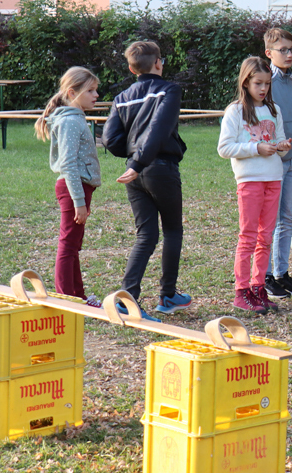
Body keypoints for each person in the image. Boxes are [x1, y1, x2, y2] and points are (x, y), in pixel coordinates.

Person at [103, 41, 191, 322]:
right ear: (158, 63)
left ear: (132, 69)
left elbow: (110, 139)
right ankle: (168, 296)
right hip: (159, 168)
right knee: (173, 230)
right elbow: (159, 129)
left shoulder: (122, 97)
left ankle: (126, 298)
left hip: (134, 173)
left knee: (146, 235)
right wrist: (141, 161)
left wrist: (133, 158)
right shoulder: (170, 90)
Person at [218, 57, 292, 315]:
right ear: (245, 82)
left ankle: (259, 287)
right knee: (248, 236)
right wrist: (256, 148)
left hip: (274, 178)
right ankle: (242, 291)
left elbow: (280, 143)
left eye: (267, 84)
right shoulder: (235, 111)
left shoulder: (274, 110)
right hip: (249, 180)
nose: (263, 88)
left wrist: (282, 147)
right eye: (258, 83)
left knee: (266, 237)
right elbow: (224, 148)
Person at [34, 67, 103, 306]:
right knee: (68, 245)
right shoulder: (70, 122)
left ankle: (77, 296)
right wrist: (79, 202)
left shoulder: (75, 118)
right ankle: (66, 299)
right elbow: (69, 164)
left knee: (73, 245)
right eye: (90, 90)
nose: (96, 95)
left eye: (96, 90)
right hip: (74, 188)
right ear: (72, 92)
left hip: (80, 188)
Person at [260, 29, 292, 300]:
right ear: (269, 53)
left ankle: (281, 272)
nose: (289, 54)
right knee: (270, 219)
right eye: (283, 50)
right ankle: (265, 275)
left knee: (287, 218)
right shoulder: (265, 82)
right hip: (273, 159)